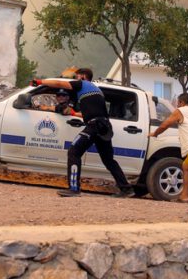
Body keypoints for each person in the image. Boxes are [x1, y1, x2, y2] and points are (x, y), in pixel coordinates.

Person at [31, 68, 134, 198]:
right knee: (109, 160)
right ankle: (126, 189)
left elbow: (59, 83)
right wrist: (73, 113)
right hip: (104, 127)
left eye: (77, 76)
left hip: (94, 126)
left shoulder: (82, 84)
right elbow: (91, 112)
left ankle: (74, 189)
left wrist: (40, 81)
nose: (75, 78)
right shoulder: (96, 91)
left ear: (83, 76)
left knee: (74, 152)